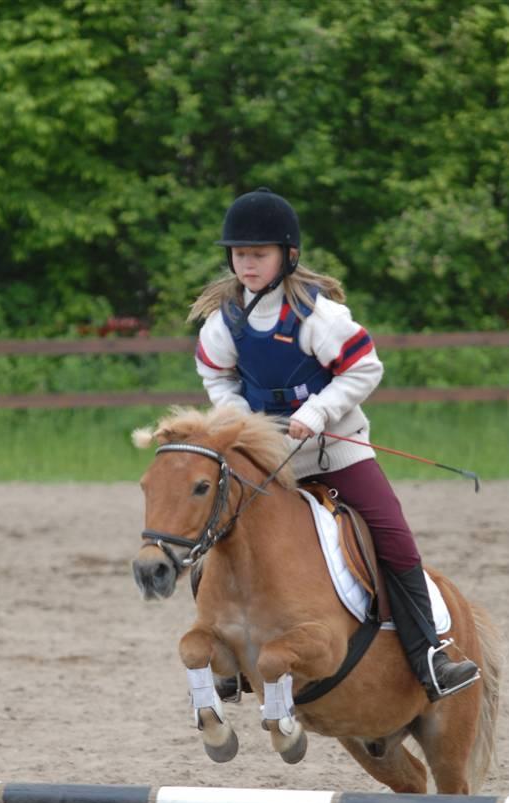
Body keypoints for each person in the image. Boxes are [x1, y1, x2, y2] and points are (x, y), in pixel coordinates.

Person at [189, 187, 479, 702]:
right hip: (264, 458)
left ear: (287, 256)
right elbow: (218, 380)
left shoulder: (317, 317)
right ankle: (226, 663)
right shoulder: (223, 322)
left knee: (394, 538)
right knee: (208, 539)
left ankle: (429, 655)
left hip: (335, 454)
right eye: (239, 254)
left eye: (258, 254)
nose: (246, 264)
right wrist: (239, 419)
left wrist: (316, 413)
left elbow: (364, 367)